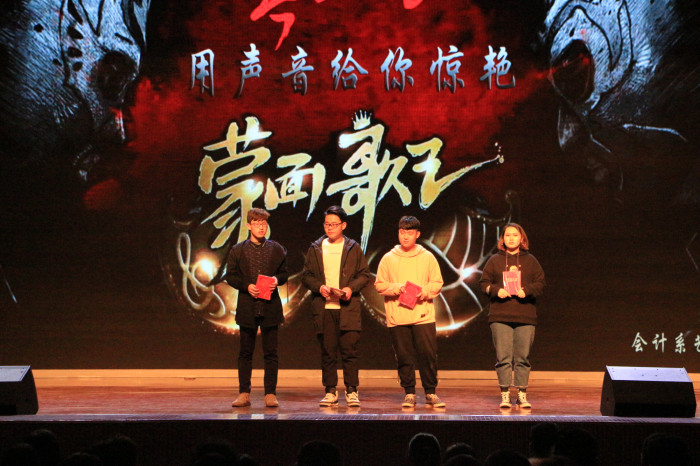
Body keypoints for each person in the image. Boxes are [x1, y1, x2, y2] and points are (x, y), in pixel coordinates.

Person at [302, 205, 371, 407]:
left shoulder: (353, 247)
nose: (330, 228)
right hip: (324, 308)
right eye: (327, 224)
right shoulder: (316, 248)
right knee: (328, 352)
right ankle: (330, 391)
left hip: (348, 308)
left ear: (343, 225)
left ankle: (352, 390)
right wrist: (319, 287)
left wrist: (350, 288)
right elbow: (306, 276)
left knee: (350, 352)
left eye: (334, 224)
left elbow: (364, 275)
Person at [375, 215, 445, 408]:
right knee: (404, 356)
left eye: (410, 233)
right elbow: (379, 285)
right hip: (398, 316)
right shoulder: (388, 258)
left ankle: (431, 392)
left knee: (427, 355)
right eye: (402, 232)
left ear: (417, 234)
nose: (405, 236)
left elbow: (437, 283)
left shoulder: (427, 257)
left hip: (423, 316)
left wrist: (423, 292)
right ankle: (409, 393)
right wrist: (397, 288)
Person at [224, 208, 288, 408]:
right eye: (257, 223)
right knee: (245, 352)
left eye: (263, 224)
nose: (261, 227)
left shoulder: (277, 249)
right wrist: (246, 286)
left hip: (270, 307)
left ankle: (270, 393)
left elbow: (284, 274)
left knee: (271, 353)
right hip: (247, 306)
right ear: (249, 225)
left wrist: (276, 280)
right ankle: (244, 393)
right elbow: (230, 275)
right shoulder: (238, 250)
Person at [479, 223, 545, 409]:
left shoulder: (531, 260)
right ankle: (505, 395)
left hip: (525, 316)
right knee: (504, 358)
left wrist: (527, 290)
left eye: (515, 235)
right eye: (508, 235)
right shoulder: (494, 260)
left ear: (521, 238)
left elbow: (540, 283)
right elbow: (483, 283)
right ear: (502, 239)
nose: (511, 238)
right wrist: (495, 290)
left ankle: (522, 395)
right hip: (500, 316)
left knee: (522, 358)